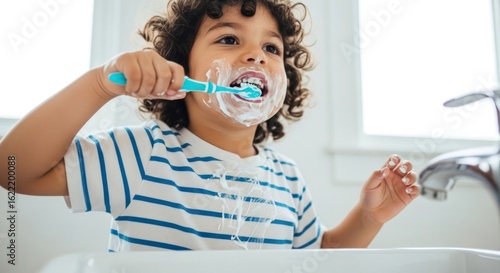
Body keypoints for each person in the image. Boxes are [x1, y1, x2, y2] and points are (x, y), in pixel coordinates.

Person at [0, 0, 419, 252]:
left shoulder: (287, 179)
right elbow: (14, 168)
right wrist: (98, 85)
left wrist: (369, 219)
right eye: (230, 39)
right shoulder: (144, 155)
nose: (256, 55)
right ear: (180, 69)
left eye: (271, 48)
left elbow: (318, 257)